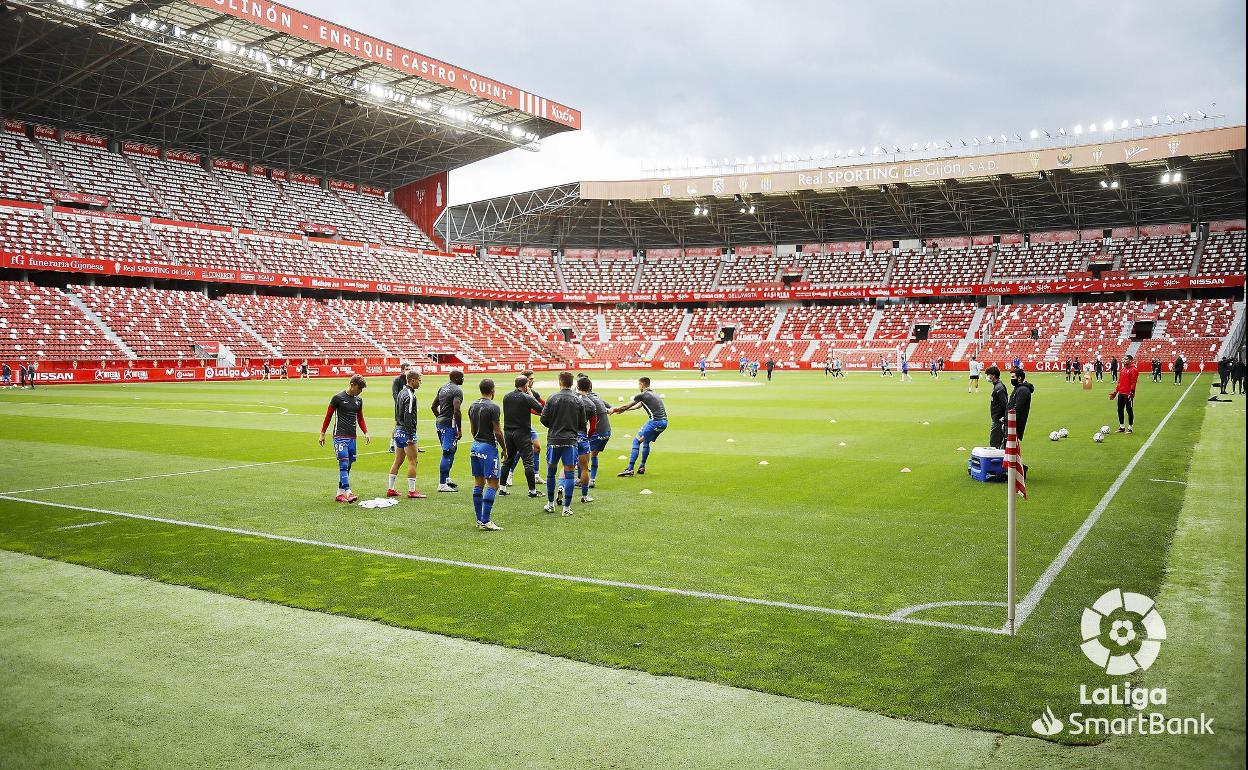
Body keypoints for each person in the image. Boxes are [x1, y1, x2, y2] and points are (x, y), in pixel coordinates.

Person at [540, 371, 585, 517]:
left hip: (554, 440)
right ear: (573, 384)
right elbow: (582, 423)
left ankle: (551, 504)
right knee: (570, 474)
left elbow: (543, 419)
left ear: (560, 382)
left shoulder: (552, 398)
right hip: (571, 441)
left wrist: (554, 426)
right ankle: (566, 508)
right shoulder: (578, 401)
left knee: (551, 473)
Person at [319, 375, 370, 503]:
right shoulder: (337, 398)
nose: (360, 391)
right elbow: (328, 416)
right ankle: (348, 492)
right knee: (343, 464)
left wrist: (366, 432)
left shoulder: (359, 400)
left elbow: (360, 418)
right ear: (352, 384)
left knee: (349, 465)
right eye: (359, 388)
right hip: (340, 436)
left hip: (352, 437)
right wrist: (322, 433)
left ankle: (339, 493)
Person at [467, 379, 507, 531]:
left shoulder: (472, 406)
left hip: (475, 445)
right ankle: (486, 520)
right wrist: (504, 449)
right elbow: (497, 431)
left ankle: (479, 519)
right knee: (493, 483)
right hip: (488, 447)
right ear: (493, 390)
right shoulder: (493, 407)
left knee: (478, 482)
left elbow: (472, 429)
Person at [613, 376, 668, 477]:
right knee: (645, 441)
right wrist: (624, 410)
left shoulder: (642, 395)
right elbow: (638, 406)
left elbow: (627, 405)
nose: (638, 386)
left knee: (636, 441)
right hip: (664, 423)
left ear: (642, 384)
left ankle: (630, 468)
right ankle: (642, 466)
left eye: (639, 384)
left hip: (654, 422)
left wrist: (616, 410)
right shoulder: (653, 393)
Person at [500, 375, 544, 498]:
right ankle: (532, 491)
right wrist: (530, 393)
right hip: (522, 433)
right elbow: (540, 408)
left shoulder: (506, 397)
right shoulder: (526, 397)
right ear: (525, 386)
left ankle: (502, 488)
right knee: (528, 462)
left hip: (508, 432)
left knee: (508, 461)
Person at [386, 370, 426, 499]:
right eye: (419, 380)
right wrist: (410, 435)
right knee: (413, 461)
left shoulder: (400, 393)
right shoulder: (410, 395)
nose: (420, 382)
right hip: (406, 431)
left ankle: (391, 488)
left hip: (398, 429)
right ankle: (412, 491)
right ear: (412, 380)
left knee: (398, 460)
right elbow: (408, 415)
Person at [430, 370, 465, 492]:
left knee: (452, 450)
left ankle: (447, 478)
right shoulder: (457, 390)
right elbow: (457, 410)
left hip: (440, 423)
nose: (463, 379)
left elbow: (433, 406)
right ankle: (442, 484)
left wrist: (440, 418)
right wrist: (459, 429)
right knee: (447, 452)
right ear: (456, 378)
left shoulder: (443, 388)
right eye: (462, 377)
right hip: (449, 424)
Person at [573, 376, 599, 503]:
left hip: (568, 436)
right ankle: (584, 496)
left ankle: (561, 488)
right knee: (584, 468)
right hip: (582, 436)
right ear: (589, 388)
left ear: (577, 386)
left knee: (566, 467)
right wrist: (587, 438)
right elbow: (594, 427)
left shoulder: (570, 399)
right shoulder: (590, 404)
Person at [1111, 354, 1139, 433]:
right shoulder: (1122, 370)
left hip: (1128, 393)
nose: (1124, 360)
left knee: (1129, 410)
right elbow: (1119, 382)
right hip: (1121, 393)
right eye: (1124, 359)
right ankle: (1122, 427)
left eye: (1126, 359)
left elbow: (1134, 382)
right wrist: (1115, 392)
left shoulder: (1134, 370)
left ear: (1130, 360)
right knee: (1120, 410)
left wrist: (1132, 392)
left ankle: (1130, 427)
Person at [390, 362, 411, 453]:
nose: (408, 371)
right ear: (402, 370)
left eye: (409, 369)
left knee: (412, 423)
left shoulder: (410, 380)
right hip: (399, 407)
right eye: (406, 369)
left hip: (408, 406)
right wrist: (399, 405)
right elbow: (395, 394)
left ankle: (412, 444)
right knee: (397, 425)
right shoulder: (397, 380)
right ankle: (391, 445)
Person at [1007, 368, 1033, 441]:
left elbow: (1017, 409)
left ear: (1019, 378)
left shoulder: (1023, 390)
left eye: (1013, 377)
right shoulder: (1018, 388)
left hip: (1014, 425)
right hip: (1011, 424)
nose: (1011, 379)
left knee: (1011, 449)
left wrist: (1008, 420)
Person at [986, 365, 1008, 449]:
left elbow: (1005, 404)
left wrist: (1003, 417)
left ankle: (996, 461)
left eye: (988, 374)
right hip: (997, 418)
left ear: (993, 375)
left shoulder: (999, 388)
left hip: (998, 419)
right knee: (996, 441)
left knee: (994, 443)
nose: (987, 376)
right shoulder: (997, 386)